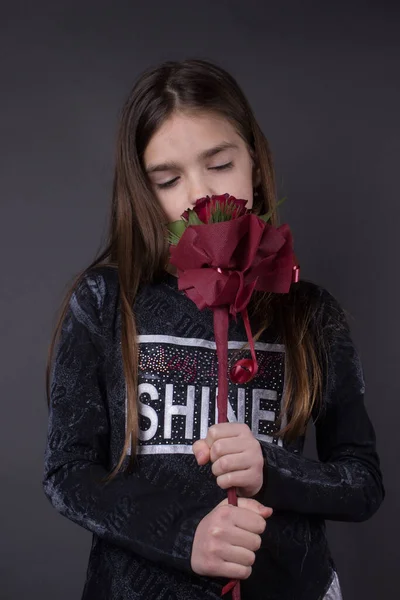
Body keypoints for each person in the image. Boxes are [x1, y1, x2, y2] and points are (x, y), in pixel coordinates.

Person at [42, 58, 384, 600]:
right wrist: (185, 537)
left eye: (220, 164)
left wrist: (271, 469)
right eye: (168, 179)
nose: (199, 195)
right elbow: (67, 473)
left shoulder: (313, 314)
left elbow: (363, 483)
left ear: (254, 159)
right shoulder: (105, 302)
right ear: (143, 192)